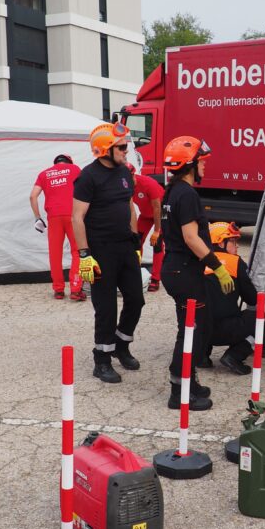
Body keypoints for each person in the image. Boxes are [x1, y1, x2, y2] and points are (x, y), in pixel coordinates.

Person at [160, 136, 233, 410]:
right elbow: (191, 237)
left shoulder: (172, 191)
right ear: (190, 165)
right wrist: (217, 266)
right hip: (184, 272)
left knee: (193, 326)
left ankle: (189, 382)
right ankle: (179, 391)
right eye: (202, 162)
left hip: (177, 270)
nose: (205, 166)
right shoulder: (187, 194)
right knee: (192, 330)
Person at [73, 122, 145, 384]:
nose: (127, 151)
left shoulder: (124, 171)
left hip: (125, 246)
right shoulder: (88, 177)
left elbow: (130, 206)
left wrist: (136, 244)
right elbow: (77, 218)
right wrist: (84, 255)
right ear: (105, 150)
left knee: (136, 299)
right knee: (106, 308)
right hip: (100, 251)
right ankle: (101, 359)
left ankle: (121, 344)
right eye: (122, 147)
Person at [198, 221, 265, 376]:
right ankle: (234, 356)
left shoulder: (196, 261)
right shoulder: (235, 262)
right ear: (221, 243)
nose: (237, 246)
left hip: (198, 330)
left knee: (201, 313)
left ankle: (202, 356)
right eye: (232, 241)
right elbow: (252, 299)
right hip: (225, 330)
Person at [30, 154, 84, 301]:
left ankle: (58, 290)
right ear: (69, 162)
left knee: (55, 253)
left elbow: (33, 196)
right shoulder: (74, 169)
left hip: (53, 217)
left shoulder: (44, 174)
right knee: (77, 251)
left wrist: (37, 218)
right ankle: (75, 288)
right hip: (73, 215)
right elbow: (85, 189)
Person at [128, 163, 165, 292]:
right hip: (145, 214)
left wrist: (156, 231)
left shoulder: (148, 184)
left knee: (157, 243)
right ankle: (136, 274)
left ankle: (156, 279)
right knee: (136, 242)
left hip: (161, 213)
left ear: (134, 175)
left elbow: (157, 208)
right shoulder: (125, 187)